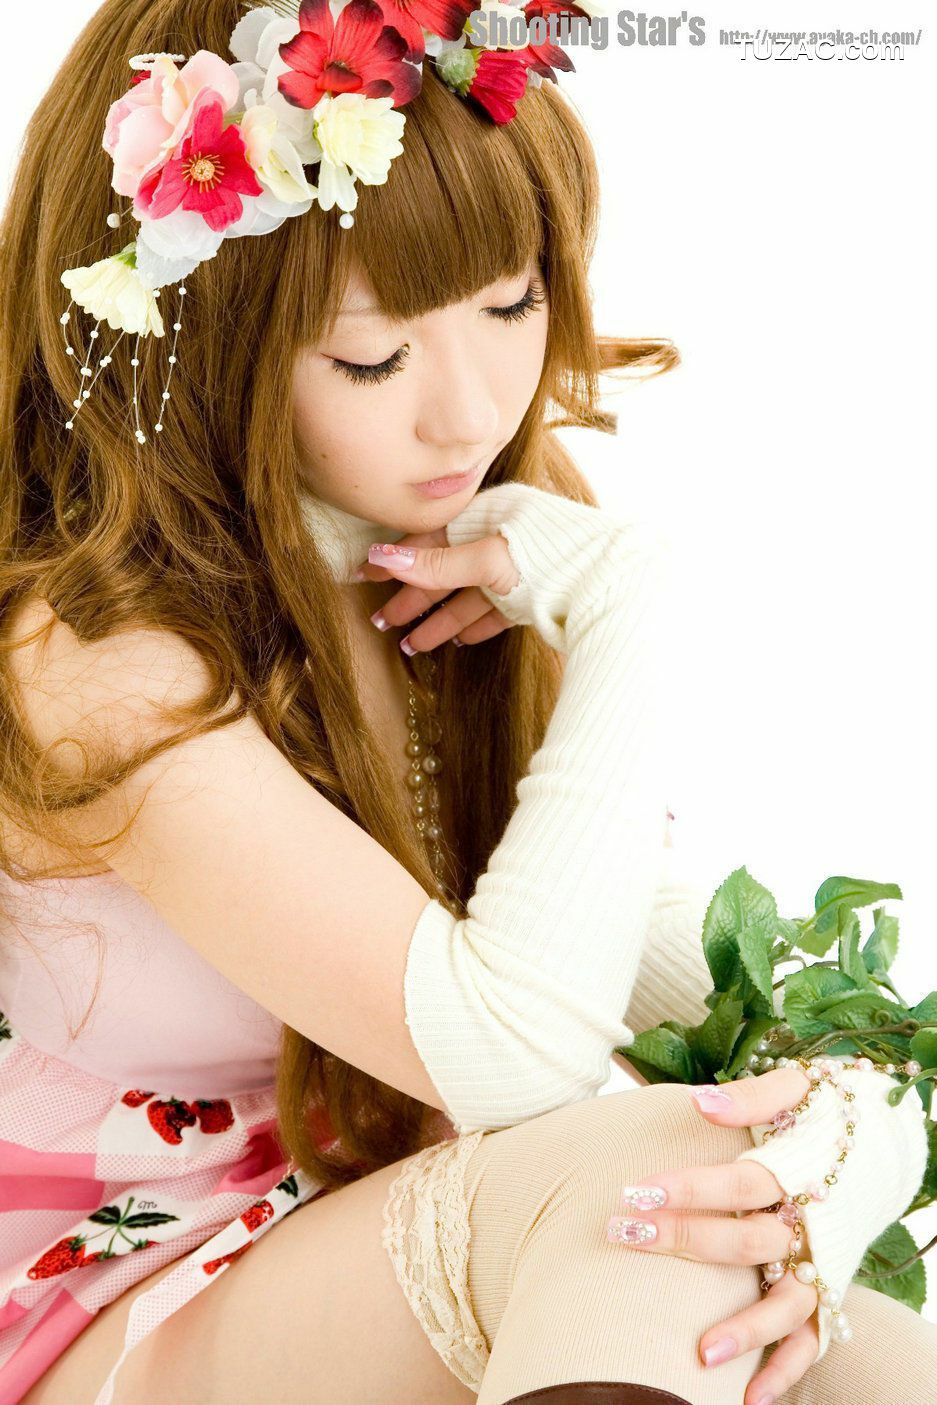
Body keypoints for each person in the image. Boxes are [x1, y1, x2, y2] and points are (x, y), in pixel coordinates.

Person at [0, 2, 932, 1403]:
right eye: (370, 358)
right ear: (188, 341)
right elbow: (512, 1066)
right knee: (649, 1186)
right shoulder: (101, 659)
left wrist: (850, 1143)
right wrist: (636, 605)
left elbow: (720, 989)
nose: (471, 414)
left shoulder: (459, 573)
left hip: (363, 1252)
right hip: (101, 1296)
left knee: (853, 1348)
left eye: (512, 306)